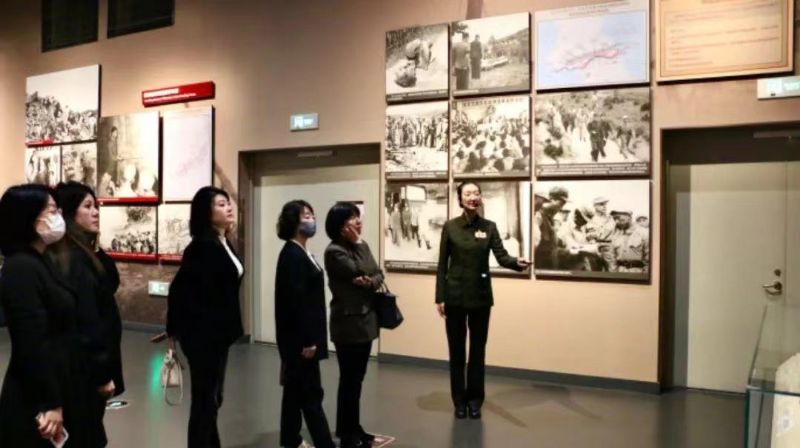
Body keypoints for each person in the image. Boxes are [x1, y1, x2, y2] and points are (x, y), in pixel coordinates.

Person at [436, 182, 531, 419]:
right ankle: (459, 402)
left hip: (481, 297)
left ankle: (475, 401)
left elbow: (501, 256)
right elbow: (442, 265)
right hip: (455, 297)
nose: (473, 197)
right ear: (460, 198)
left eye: (476, 193)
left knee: (477, 352)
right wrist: (440, 297)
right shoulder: (450, 227)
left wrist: (516, 263)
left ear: (480, 198)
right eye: (468, 193)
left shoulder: (489, 227)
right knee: (457, 352)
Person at [0, 184, 85, 447]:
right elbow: (32, 341)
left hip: (56, 380)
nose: (58, 217)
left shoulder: (40, 259)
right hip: (34, 397)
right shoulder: (20, 267)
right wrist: (50, 402)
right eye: (51, 211)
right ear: (27, 217)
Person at [47, 182, 124, 447]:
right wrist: (102, 374)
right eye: (88, 206)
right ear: (70, 212)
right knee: (86, 433)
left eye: (96, 206)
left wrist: (95, 244)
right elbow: (87, 321)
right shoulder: (72, 257)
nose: (95, 212)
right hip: (86, 368)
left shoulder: (84, 250)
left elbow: (111, 280)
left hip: (91, 363)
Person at [166, 186, 244, 448]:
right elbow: (179, 290)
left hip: (218, 334)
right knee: (204, 400)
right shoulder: (200, 247)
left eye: (228, 203)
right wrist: (174, 329)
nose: (229, 207)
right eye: (221, 204)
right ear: (206, 213)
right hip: (203, 337)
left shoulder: (223, 242)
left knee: (213, 398)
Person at [275, 200, 336, 448]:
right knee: (311, 394)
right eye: (306, 216)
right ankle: (324, 443)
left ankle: (289, 439)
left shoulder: (302, 252)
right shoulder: (292, 255)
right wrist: (308, 340)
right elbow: (296, 302)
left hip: (302, 339)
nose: (312, 220)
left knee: (293, 392)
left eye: (312, 215)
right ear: (294, 221)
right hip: (301, 342)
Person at [324, 202, 383, 448]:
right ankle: (347, 434)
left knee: (356, 380)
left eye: (358, 217)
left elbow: (377, 274)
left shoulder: (358, 246)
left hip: (366, 322)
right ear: (340, 225)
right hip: (348, 325)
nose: (358, 221)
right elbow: (359, 270)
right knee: (349, 381)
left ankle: (352, 427)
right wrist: (360, 246)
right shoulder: (335, 251)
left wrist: (369, 281)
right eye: (352, 218)